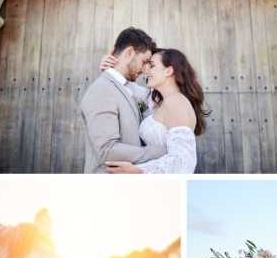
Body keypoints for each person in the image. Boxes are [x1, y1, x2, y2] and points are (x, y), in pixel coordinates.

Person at [101, 47, 208, 175]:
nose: (146, 71)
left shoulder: (176, 103)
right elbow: (125, 87)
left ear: (168, 71)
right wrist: (111, 69)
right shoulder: (158, 102)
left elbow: (183, 162)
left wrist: (138, 170)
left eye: (151, 66)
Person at [80, 28, 166, 174]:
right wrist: (163, 151)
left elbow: (157, 97)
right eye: (144, 61)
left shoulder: (127, 88)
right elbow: (107, 150)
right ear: (129, 53)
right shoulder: (102, 90)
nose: (145, 70)